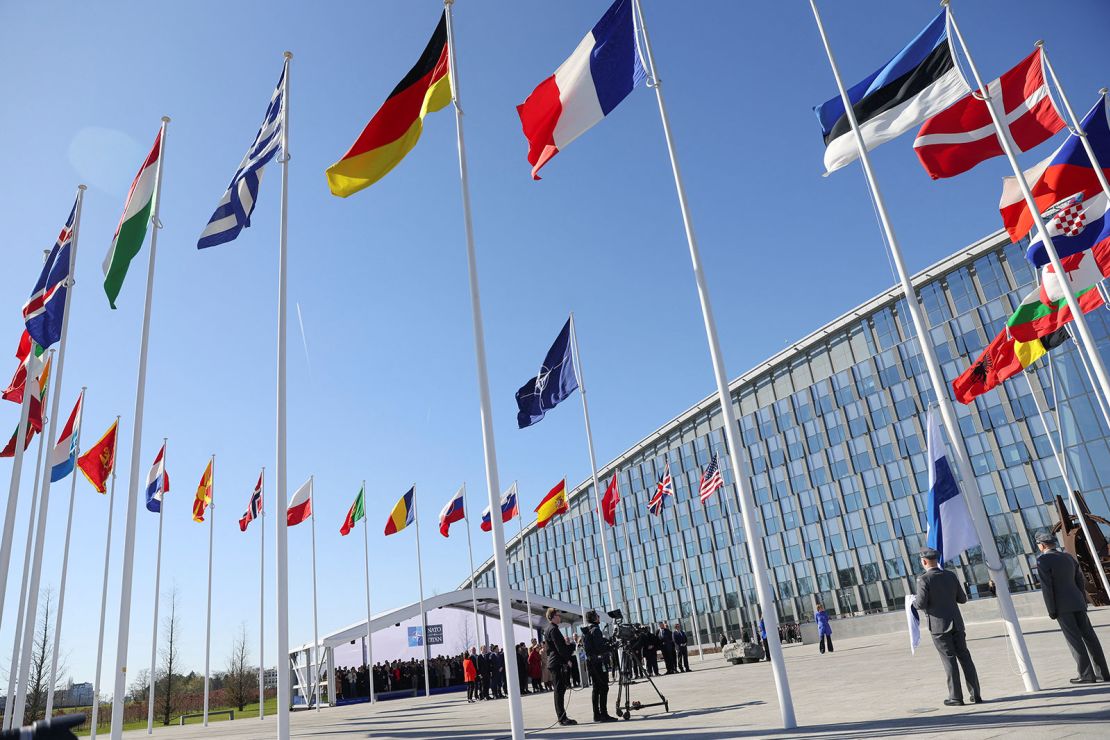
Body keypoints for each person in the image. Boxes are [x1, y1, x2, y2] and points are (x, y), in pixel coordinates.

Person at [1035, 532, 1109, 683]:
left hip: (1062, 606)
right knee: (1090, 638)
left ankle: (1086, 675)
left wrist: (1051, 609)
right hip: (1078, 602)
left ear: (1042, 545)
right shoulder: (1068, 557)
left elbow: (1047, 587)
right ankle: (1103, 673)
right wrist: (1082, 600)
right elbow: (1080, 581)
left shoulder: (1043, 560)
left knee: (1074, 640)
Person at [914, 547, 981, 706]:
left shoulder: (923, 579)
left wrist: (913, 601)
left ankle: (956, 697)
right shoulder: (950, 575)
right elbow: (962, 599)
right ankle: (976, 694)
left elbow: (921, 603)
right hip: (957, 623)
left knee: (949, 660)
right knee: (965, 658)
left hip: (939, 627)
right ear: (936, 560)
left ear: (924, 562)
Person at [582, 609, 618, 723]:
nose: (599, 617)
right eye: (597, 616)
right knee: (603, 688)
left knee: (596, 689)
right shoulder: (596, 630)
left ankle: (597, 715)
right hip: (598, 663)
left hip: (592, 663)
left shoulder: (588, 630)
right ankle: (604, 714)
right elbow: (600, 647)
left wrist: (608, 643)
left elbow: (597, 644)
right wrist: (612, 647)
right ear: (594, 618)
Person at [543, 607, 577, 725]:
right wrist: (569, 655)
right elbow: (560, 648)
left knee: (560, 690)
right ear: (552, 617)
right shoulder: (553, 629)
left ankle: (562, 716)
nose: (560, 617)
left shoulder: (550, 629)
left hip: (555, 662)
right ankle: (562, 718)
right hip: (556, 662)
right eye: (558, 615)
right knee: (559, 690)